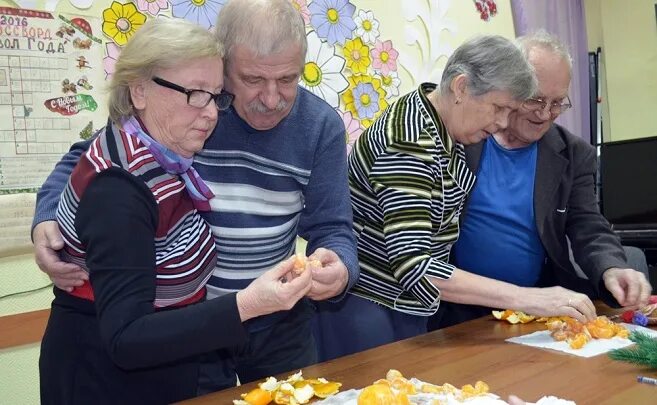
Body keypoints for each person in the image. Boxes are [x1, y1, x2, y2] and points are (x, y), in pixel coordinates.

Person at [32, 0, 358, 393]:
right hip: (191, 325)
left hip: (279, 323)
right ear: (224, 65)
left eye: (288, 79)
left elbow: (332, 226)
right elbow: (93, 157)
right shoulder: (192, 108)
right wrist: (48, 215)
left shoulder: (319, 126)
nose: (271, 99)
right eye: (253, 80)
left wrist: (339, 267)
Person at [312, 35, 537, 362]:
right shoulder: (410, 140)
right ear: (461, 87)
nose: (503, 122)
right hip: (367, 308)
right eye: (499, 108)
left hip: (404, 305)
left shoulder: (445, 127)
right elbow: (415, 265)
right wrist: (526, 298)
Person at [428, 30, 652, 331]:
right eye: (535, 99)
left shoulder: (574, 154)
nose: (546, 114)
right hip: (453, 310)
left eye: (558, 103)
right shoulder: (461, 135)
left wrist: (612, 267)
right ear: (511, 88)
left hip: (534, 311)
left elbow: (588, 225)